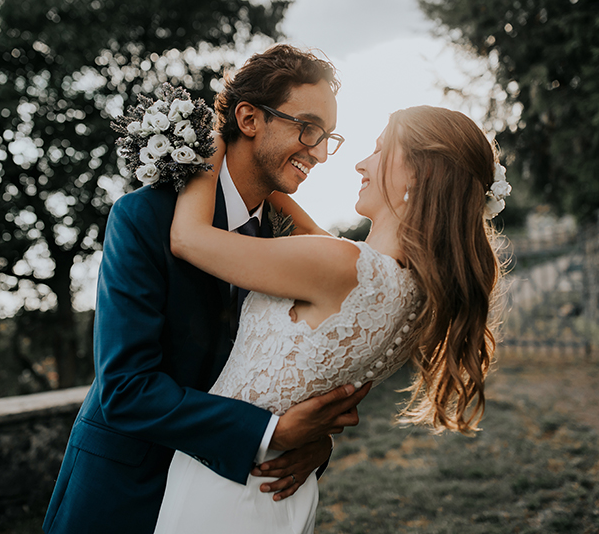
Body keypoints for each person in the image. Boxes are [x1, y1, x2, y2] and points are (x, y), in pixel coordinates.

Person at [42, 45, 370, 534]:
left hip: (227, 502)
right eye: (307, 128)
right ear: (249, 118)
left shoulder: (291, 242)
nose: (319, 153)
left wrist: (312, 440)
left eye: (328, 137)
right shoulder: (144, 218)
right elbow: (126, 389)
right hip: (125, 495)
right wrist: (270, 434)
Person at [154, 104, 504, 533]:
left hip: (224, 489)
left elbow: (187, 238)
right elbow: (308, 229)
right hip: (278, 489)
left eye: (379, 151)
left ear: (418, 175)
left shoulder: (341, 267)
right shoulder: (414, 292)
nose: (361, 163)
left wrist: (210, 142)